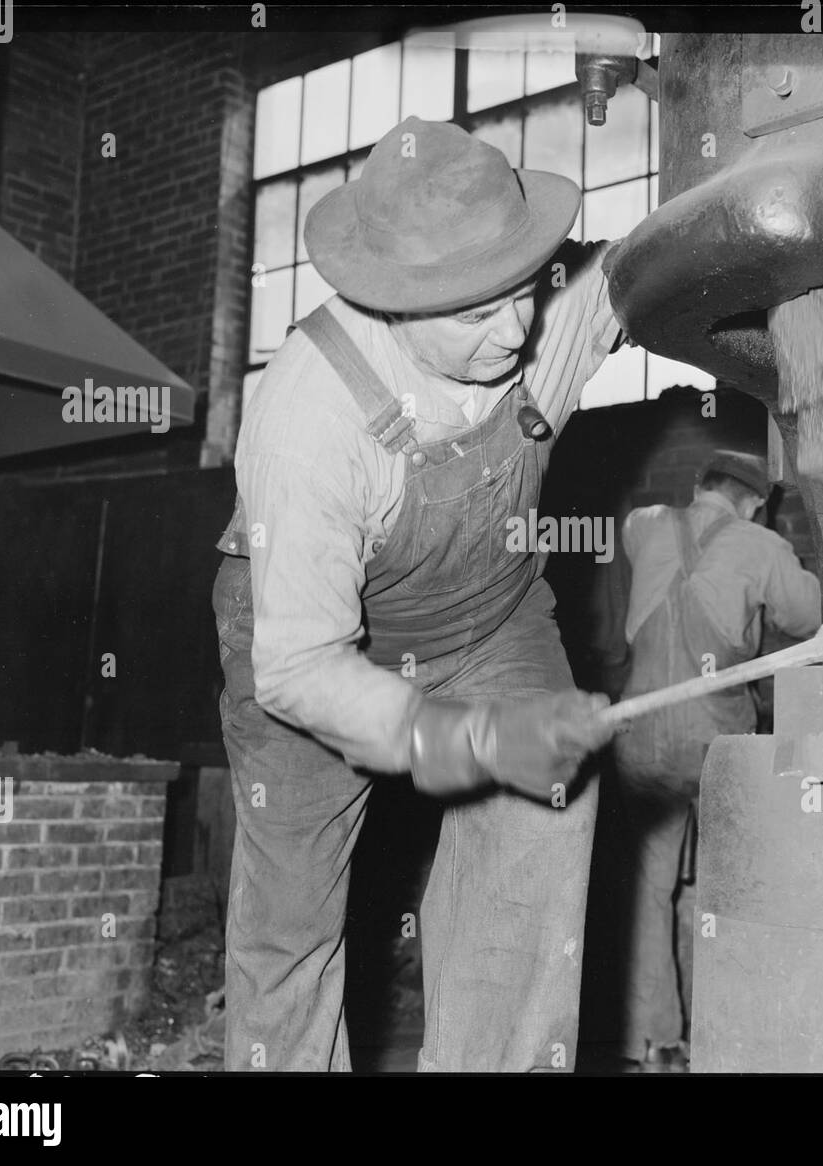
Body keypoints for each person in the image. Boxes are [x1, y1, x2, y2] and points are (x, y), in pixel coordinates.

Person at [211, 116, 627, 1072]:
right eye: (476, 315)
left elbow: (658, 266)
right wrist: (457, 739)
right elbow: (302, 665)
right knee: (292, 921)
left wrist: (800, 310)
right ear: (396, 305)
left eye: (522, 292)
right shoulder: (309, 419)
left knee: (547, 802)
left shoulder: (547, 313)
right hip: (313, 643)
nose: (515, 331)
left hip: (488, 615)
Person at [611, 450, 822, 1069]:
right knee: (729, 883)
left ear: (700, 486)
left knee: (650, 889)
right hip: (714, 741)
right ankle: (727, 1030)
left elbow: (637, 536)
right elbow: (809, 616)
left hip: (639, 734)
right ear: (756, 500)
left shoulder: (645, 524)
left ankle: (651, 1040)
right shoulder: (758, 544)